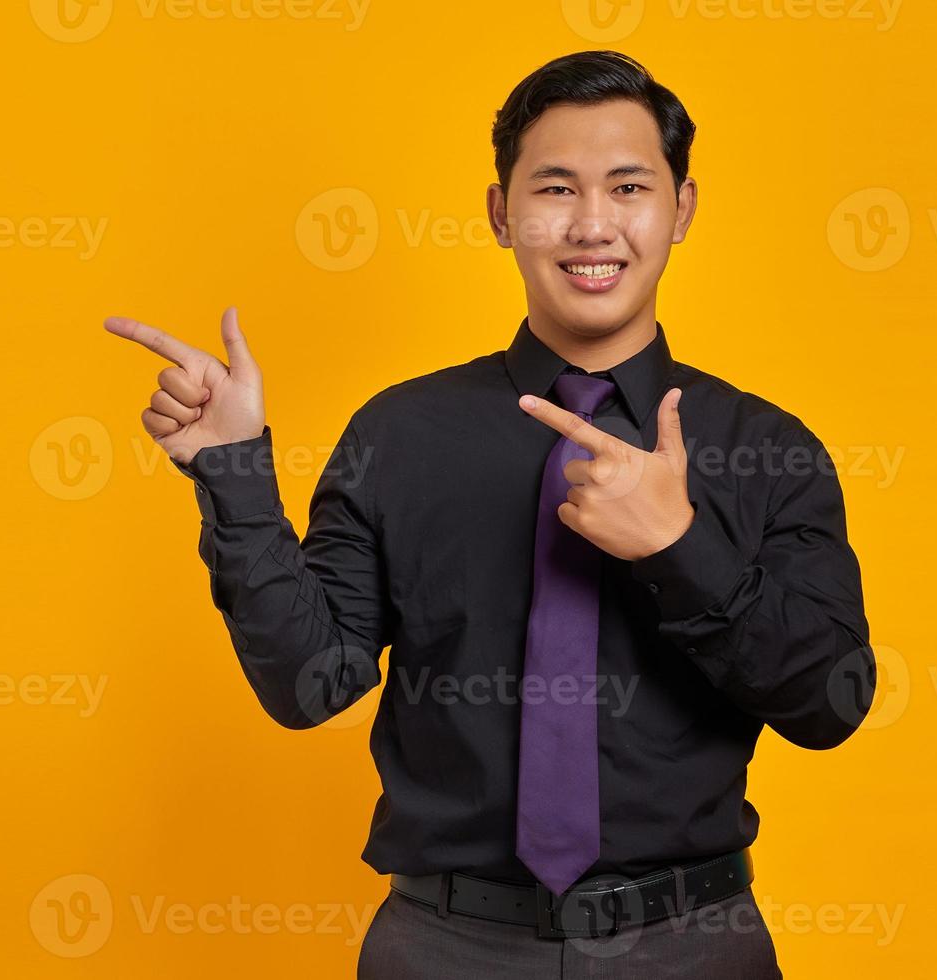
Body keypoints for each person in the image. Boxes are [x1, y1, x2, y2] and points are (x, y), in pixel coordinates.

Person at [104, 49, 874, 979]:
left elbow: (832, 702)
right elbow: (312, 687)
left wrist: (678, 545)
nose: (593, 224)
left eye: (628, 186)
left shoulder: (768, 446)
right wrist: (231, 473)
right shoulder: (400, 432)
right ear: (502, 214)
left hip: (692, 947)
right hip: (444, 948)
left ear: (683, 209)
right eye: (556, 189)